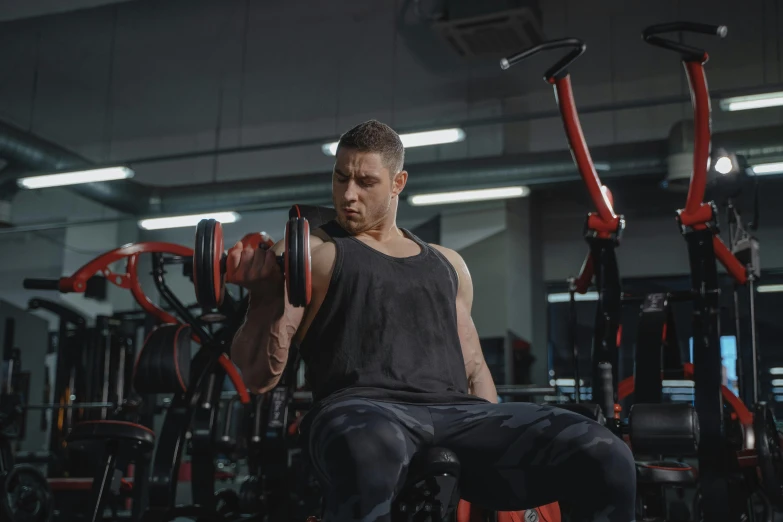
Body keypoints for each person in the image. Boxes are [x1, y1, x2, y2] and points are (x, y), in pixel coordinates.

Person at [229, 120, 636, 522]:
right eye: (340, 179)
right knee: (370, 452)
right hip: (363, 411)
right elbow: (258, 376)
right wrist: (263, 299)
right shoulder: (312, 252)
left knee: (604, 451)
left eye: (365, 182)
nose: (348, 195)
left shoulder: (448, 264)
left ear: (398, 183)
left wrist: (493, 436)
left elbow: (475, 368)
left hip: (458, 414)